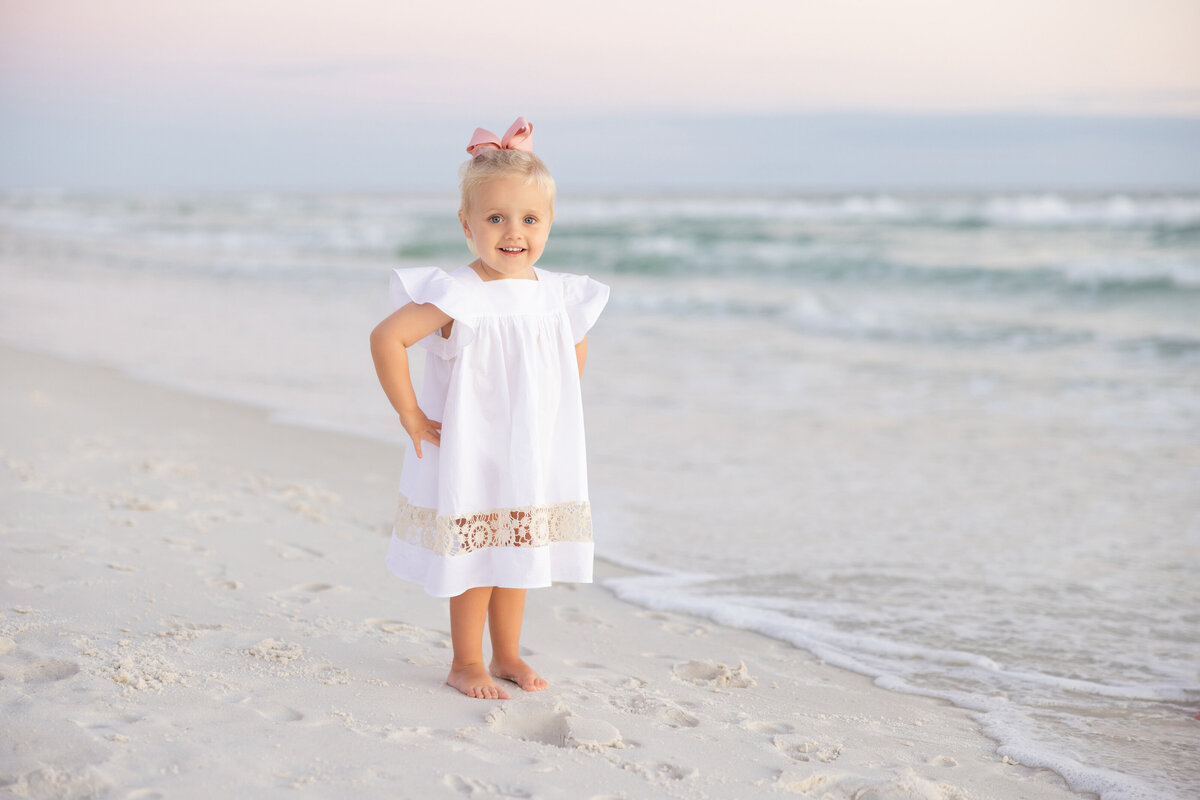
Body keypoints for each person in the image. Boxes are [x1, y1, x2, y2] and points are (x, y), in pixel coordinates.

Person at [370, 118, 609, 700]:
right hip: (474, 445)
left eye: (530, 219)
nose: (513, 232)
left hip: (528, 445)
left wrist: (550, 418)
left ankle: (507, 654)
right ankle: (465, 661)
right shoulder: (460, 293)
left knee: (519, 546)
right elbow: (387, 338)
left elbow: (570, 351)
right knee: (477, 555)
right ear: (467, 224)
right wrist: (409, 412)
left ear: (549, 223)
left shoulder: (557, 293)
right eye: (496, 218)